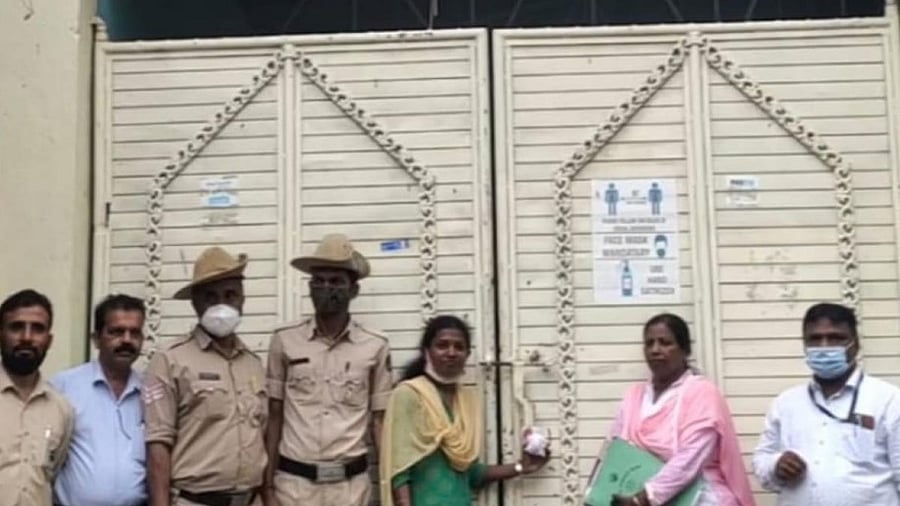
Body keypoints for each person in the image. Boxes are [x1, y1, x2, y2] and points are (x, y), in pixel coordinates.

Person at [264, 234, 392, 506]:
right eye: (318, 281)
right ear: (310, 287)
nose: (326, 288)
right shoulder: (284, 340)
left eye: (336, 282)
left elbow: (380, 422)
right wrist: (267, 488)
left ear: (353, 289)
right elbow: (273, 416)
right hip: (293, 488)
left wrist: (389, 488)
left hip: (350, 490)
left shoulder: (375, 346)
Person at [380, 315, 550, 506]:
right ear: (426, 351)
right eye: (442, 345)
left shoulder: (466, 400)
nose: (451, 352)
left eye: (459, 347)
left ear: (467, 354)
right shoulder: (409, 394)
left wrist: (521, 467)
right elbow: (399, 471)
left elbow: (470, 473)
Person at [143, 247, 267, 506]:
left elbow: (260, 440)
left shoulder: (253, 364)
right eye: (211, 296)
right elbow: (158, 446)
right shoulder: (169, 361)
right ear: (195, 303)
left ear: (242, 299)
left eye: (230, 295)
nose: (221, 305)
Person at [752, 302, 900, 505]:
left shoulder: (888, 400)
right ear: (805, 345)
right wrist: (775, 465)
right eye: (815, 339)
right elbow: (762, 459)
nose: (824, 347)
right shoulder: (786, 403)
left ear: (855, 344)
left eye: (836, 338)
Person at [607, 313, 754, 506]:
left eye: (665, 343)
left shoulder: (702, 393)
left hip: (700, 498)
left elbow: (690, 458)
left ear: (685, 350)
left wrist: (644, 498)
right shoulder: (634, 396)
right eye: (649, 343)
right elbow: (615, 451)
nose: (655, 350)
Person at [51, 294, 148, 506]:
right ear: (96, 338)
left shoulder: (150, 393)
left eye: (135, 333)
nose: (126, 340)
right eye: (116, 332)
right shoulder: (64, 387)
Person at [0, 289, 74, 506]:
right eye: (16, 327)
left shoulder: (61, 409)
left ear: (49, 341)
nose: (27, 337)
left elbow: (53, 472)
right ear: (0, 334)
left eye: (38, 329)